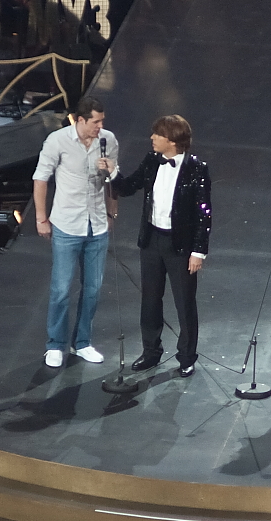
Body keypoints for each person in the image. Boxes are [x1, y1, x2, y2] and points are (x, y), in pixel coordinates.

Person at [101, 114, 211, 378]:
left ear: (171, 140)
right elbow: (128, 187)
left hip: (180, 246)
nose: (151, 138)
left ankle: (187, 357)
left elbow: (204, 213)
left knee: (184, 303)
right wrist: (113, 172)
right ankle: (151, 352)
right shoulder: (152, 160)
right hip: (151, 240)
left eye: (157, 134)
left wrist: (198, 252)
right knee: (150, 299)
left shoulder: (197, 169)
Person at [32, 96, 119, 368]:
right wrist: (41, 218)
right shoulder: (58, 141)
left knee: (93, 288)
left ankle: (82, 342)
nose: (100, 126)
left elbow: (113, 182)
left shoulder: (108, 140)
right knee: (61, 288)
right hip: (67, 224)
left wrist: (111, 212)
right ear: (81, 120)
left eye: (102, 121)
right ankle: (55, 344)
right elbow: (40, 179)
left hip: (97, 225)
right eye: (96, 122)